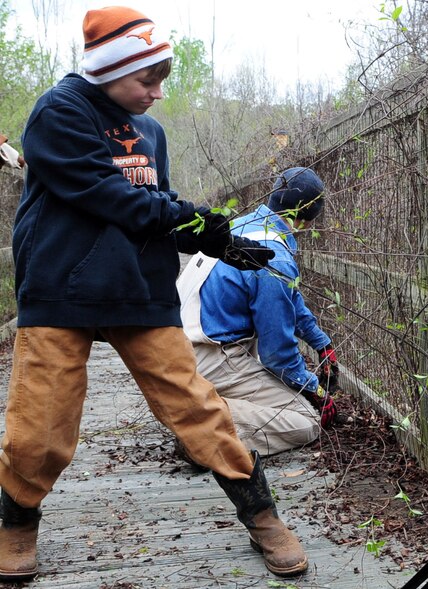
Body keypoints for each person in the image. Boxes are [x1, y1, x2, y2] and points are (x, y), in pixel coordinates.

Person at [0, 7, 308, 581]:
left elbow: (155, 209)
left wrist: (207, 239)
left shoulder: (151, 132)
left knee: (197, 406)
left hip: (139, 287)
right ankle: (17, 524)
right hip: (60, 286)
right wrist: (206, 224)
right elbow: (109, 195)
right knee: (40, 422)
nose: (158, 93)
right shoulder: (59, 112)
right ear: (109, 70)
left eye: (161, 80)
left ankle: (262, 516)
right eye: (148, 79)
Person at [177, 167, 340, 457]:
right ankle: (204, 432)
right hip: (213, 357)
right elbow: (277, 353)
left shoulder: (243, 227)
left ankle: (200, 410)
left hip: (179, 350)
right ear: (306, 220)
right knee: (305, 421)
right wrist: (314, 390)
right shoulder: (274, 255)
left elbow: (286, 296)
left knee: (286, 396)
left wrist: (320, 341)